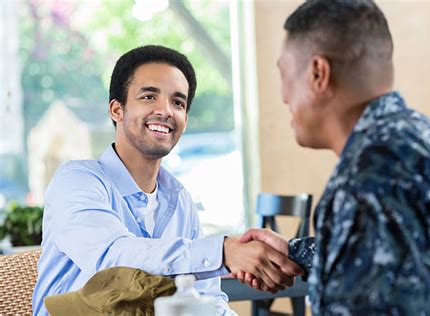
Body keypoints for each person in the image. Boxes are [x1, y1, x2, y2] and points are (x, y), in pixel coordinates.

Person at [237, 1, 430, 315]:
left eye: (284, 75)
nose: (283, 96)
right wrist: (295, 252)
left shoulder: (371, 178)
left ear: (318, 74)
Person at [32, 45, 303, 316]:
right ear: (117, 110)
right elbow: (112, 257)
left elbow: (208, 298)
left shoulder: (179, 199)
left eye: (178, 102)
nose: (165, 111)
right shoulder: (77, 181)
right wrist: (224, 251)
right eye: (149, 96)